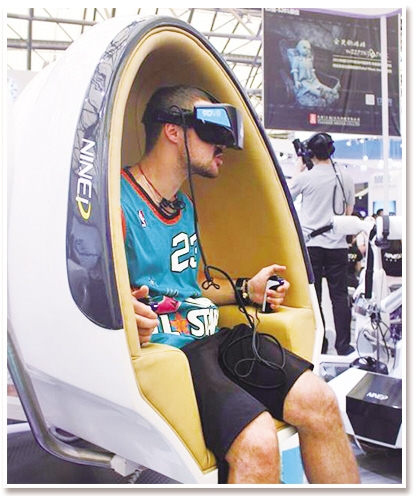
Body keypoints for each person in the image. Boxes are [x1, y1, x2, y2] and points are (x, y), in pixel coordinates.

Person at [121, 85, 360, 484]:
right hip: (174, 350)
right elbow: (94, 290)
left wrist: (247, 289)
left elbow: (191, 285)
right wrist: (121, 310)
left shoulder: (184, 206)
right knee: (259, 442)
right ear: (173, 130)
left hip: (215, 337)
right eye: (210, 130)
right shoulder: (118, 201)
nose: (224, 146)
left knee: (321, 401)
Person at [289, 133, 356, 356]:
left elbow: (285, 197)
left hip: (312, 246)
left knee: (314, 296)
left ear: (310, 153)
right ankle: (344, 346)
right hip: (338, 246)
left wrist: (298, 168)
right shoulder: (345, 177)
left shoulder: (305, 178)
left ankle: (320, 344)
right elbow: (348, 212)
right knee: (340, 296)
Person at [290, 40, 340, 107]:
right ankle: (319, 93)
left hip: (311, 78)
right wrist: (296, 81)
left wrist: (315, 78)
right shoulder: (297, 60)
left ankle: (331, 90)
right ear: (298, 48)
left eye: (309, 49)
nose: (307, 50)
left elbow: (311, 70)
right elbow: (295, 71)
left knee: (319, 84)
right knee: (309, 87)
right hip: (303, 80)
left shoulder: (309, 60)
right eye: (304, 48)